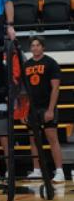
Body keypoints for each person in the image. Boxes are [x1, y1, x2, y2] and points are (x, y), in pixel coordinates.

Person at [24, 37, 65, 184]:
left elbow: (55, 88)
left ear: (43, 47)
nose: (35, 48)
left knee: (52, 138)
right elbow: (24, 91)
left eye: (37, 45)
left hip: (46, 107)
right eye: (32, 46)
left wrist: (50, 110)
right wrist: (24, 111)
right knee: (33, 140)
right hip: (32, 108)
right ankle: (36, 171)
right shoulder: (26, 65)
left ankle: (59, 171)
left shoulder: (51, 63)